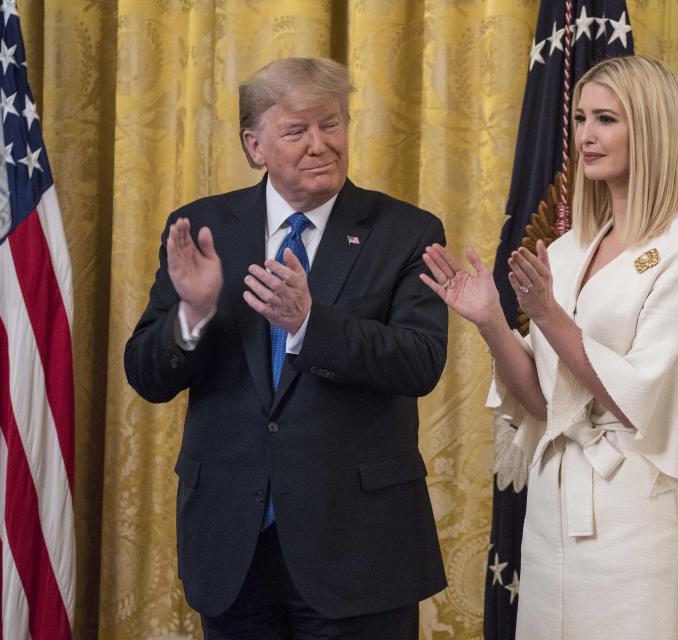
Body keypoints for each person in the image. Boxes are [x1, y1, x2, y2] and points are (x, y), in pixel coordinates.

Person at [125, 57, 447, 639]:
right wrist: (192, 315)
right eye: (296, 131)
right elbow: (147, 376)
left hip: (358, 552)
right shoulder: (202, 228)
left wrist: (309, 323)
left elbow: (420, 361)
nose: (320, 145)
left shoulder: (407, 231)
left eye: (332, 125)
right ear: (255, 146)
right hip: (231, 548)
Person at [421, 55, 678, 639]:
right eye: (582, 117)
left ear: (651, 127)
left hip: (637, 505)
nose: (586, 135)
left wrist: (552, 317)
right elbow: (543, 403)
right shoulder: (566, 250)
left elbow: (639, 401)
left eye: (606, 119)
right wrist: (489, 321)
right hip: (553, 503)